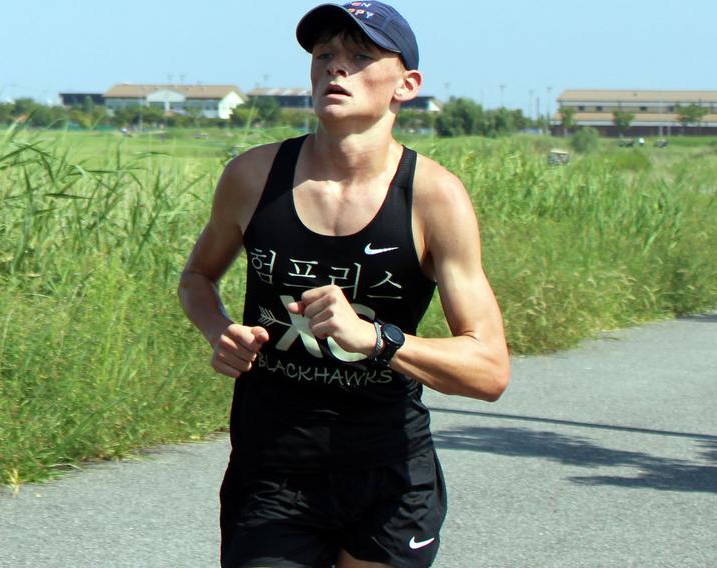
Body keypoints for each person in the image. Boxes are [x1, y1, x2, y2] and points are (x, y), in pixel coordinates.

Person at [177, 3, 510, 566]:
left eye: (361, 57)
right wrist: (219, 331)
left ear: (407, 84)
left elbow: (490, 369)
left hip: (388, 474)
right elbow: (197, 277)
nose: (336, 69)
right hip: (273, 468)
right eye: (324, 55)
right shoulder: (253, 176)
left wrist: (377, 339)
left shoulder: (433, 197)